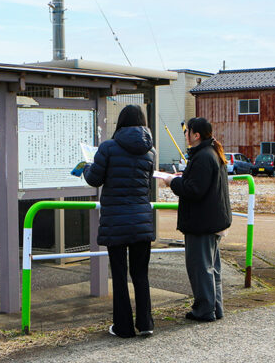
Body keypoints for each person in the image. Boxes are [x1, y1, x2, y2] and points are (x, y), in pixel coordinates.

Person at [83, 105, 156, 338]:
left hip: (116, 220)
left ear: (120, 123)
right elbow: (146, 185)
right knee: (140, 274)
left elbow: (95, 179)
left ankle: (123, 327)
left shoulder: (108, 148)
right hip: (142, 219)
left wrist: (85, 168)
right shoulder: (149, 151)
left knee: (119, 274)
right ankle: (145, 323)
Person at [161, 117, 232, 321]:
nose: (185, 135)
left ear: (196, 135)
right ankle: (215, 308)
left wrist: (172, 182)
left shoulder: (202, 156)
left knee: (200, 268)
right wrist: (184, 178)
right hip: (214, 219)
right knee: (212, 268)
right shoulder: (212, 153)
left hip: (202, 223)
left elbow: (194, 190)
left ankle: (204, 310)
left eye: (187, 131)